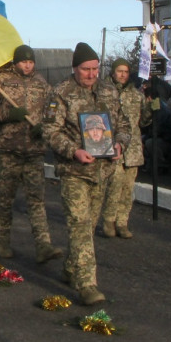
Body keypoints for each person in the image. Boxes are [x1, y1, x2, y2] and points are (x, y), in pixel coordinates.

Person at [44, 43, 130, 305]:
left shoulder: (108, 90)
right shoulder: (61, 93)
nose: (91, 75)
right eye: (86, 69)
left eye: (95, 69)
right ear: (75, 68)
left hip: (102, 170)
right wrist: (74, 151)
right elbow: (49, 130)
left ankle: (72, 269)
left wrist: (120, 144)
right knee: (79, 224)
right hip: (74, 171)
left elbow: (124, 124)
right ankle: (87, 284)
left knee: (88, 226)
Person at [0, 45, 62, 264]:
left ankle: (43, 245)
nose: (27, 65)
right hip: (8, 150)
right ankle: (3, 240)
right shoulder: (1, 81)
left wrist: (43, 125)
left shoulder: (42, 84)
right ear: (16, 62)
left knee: (36, 200)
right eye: (24, 62)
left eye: (31, 62)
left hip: (34, 151)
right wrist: (8, 114)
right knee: (6, 199)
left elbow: (53, 111)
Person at [99, 59, 149, 239]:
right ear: (113, 72)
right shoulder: (103, 93)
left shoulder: (137, 95)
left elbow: (143, 121)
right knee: (114, 184)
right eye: (119, 71)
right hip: (112, 144)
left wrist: (151, 109)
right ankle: (108, 220)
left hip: (133, 148)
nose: (122, 75)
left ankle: (122, 221)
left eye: (126, 72)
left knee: (128, 188)